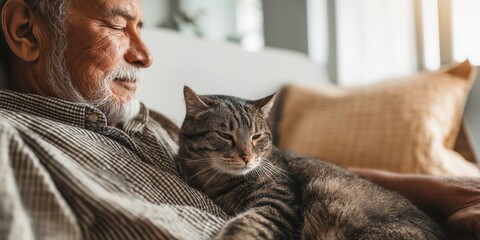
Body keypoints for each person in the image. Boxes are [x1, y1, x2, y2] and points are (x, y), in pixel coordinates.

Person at [0, 0, 478, 239]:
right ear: (25, 31)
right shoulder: (12, 143)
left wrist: (442, 191)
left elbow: (285, 173)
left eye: (141, 29)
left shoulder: (150, 123)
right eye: (115, 23)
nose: (145, 56)